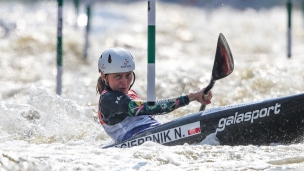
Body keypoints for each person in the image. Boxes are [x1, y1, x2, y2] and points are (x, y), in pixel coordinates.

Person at [96, 47, 212, 143]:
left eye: (128, 75)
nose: (125, 82)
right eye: (118, 76)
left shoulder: (129, 93)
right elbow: (149, 108)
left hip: (154, 134)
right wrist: (191, 97)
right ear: (104, 76)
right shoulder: (108, 99)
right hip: (139, 143)